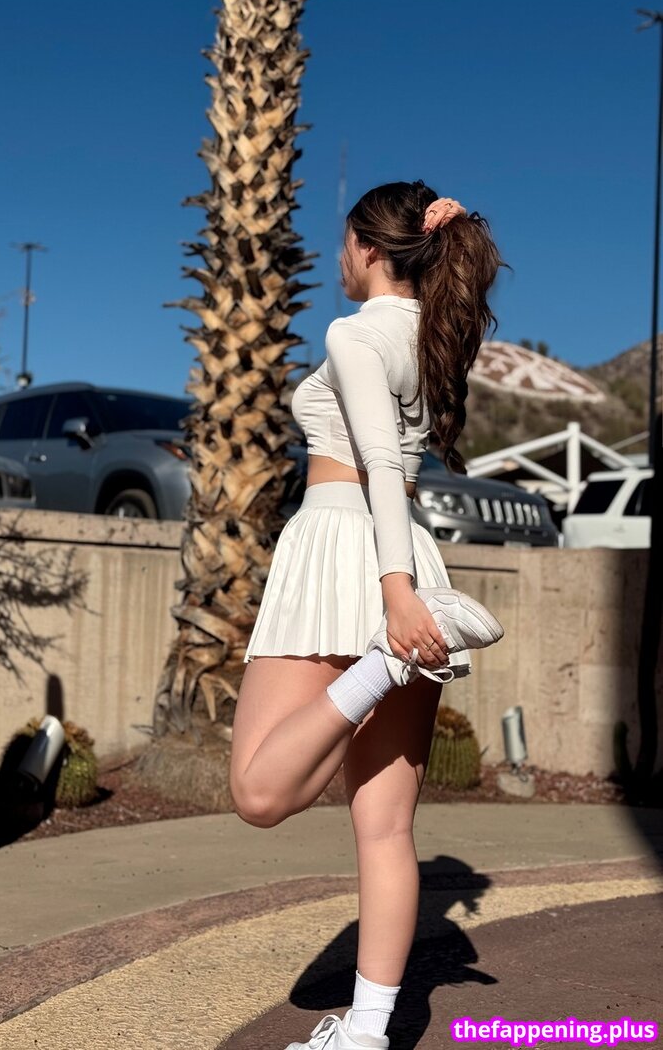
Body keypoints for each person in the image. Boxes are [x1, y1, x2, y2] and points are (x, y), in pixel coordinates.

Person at [229, 180, 507, 1050]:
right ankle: (368, 1033)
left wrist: (394, 604)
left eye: (344, 243)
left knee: (259, 792)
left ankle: (384, 664)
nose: (337, 259)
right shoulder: (435, 337)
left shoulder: (354, 333)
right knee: (385, 827)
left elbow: (380, 463)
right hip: (407, 557)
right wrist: (406, 585)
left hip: (346, 553)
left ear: (370, 250)